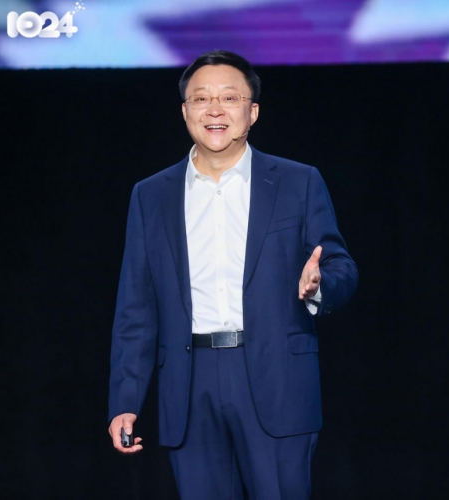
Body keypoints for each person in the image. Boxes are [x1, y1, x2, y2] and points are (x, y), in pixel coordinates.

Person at [107, 50, 358, 499]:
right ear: (185, 111)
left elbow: (341, 266)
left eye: (229, 97)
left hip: (276, 377)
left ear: (252, 111)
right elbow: (136, 308)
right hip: (189, 381)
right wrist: (126, 400)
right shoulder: (150, 195)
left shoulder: (297, 182)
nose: (215, 109)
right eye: (201, 98)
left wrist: (318, 286)